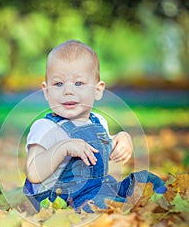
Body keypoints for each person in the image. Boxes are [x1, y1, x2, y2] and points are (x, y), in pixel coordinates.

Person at [23, 40, 166, 213]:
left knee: (146, 181)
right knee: (106, 205)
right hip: (66, 199)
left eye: (78, 83)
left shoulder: (98, 121)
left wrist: (121, 139)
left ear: (97, 91)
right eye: (58, 84)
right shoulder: (45, 127)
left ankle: (164, 204)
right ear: (46, 91)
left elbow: (101, 147)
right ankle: (126, 211)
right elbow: (33, 173)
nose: (68, 91)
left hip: (102, 187)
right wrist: (63, 148)